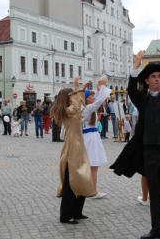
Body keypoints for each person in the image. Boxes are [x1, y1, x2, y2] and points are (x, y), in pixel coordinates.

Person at [111, 48, 160, 239]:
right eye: (153, 76)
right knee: (154, 192)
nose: (157, 79)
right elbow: (130, 90)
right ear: (146, 81)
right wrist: (135, 67)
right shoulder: (142, 99)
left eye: (159, 77)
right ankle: (157, 229)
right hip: (149, 152)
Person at [51, 77, 96, 224]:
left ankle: (77, 212)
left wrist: (81, 88)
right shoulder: (67, 110)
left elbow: (80, 103)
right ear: (68, 97)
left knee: (82, 177)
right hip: (72, 147)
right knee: (71, 181)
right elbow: (77, 106)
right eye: (72, 95)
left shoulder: (72, 109)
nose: (75, 97)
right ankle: (65, 215)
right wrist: (77, 87)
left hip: (78, 145)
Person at [82, 77, 112, 199]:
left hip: (91, 136)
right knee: (93, 165)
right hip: (90, 137)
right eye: (90, 96)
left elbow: (97, 100)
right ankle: (93, 190)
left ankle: (92, 187)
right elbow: (98, 102)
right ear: (86, 99)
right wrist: (103, 88)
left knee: (92, 165)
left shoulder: (87, 108)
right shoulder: (87, 108)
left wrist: (99, 88)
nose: (93, 98)